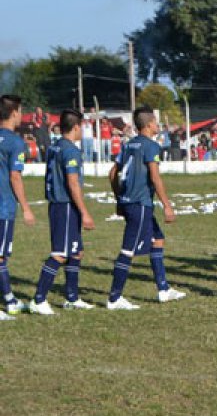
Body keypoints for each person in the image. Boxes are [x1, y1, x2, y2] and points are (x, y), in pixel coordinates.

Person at [105, 107, 187, 309]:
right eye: (156, 122)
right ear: (150, 124)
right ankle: (114, 298)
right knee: (128, 250)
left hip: (132, 202)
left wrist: (119, 199)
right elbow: (154, 176)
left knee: (157, 240)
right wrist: (167, 205)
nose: (158, 126)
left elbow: (112, 173)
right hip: (140, 203)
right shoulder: (151, 146)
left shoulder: (128, 145)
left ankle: (164, 290)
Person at [28, 108, 94, 316]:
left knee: (76, 252)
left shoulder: (54, 147)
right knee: (59, 253)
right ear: (76, 127)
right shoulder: (70, 150)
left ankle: (72, 298)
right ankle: (38, 299)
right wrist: (84, 212)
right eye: (82, 127)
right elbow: (72, 183)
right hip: (65, 205)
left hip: (59, 204)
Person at [0, 95, 36, 319]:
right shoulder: (15, 142)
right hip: (3, 207)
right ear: (14, 113)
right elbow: (15, 176)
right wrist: (26, 208)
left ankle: (10, 300)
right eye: (21, 111)